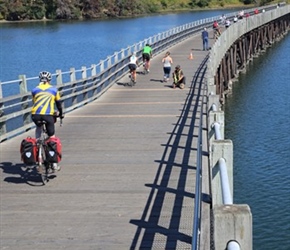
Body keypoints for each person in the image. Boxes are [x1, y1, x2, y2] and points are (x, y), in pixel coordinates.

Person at [31, 71, 64, 170]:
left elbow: (35, 102)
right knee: (52, 137)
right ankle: (54, 164)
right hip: (47, 115)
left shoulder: (34, 90)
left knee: (38, 128)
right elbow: (58, 103)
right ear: (49, 80)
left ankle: (37, 152)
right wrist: (61, 113)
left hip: (35, 115)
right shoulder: (54, 90)